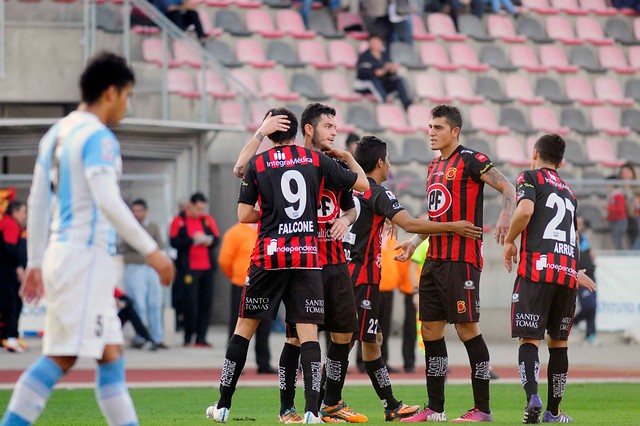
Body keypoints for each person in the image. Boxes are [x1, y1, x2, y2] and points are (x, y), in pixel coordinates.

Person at [0, 52, 175, 426]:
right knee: (61, 358)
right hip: (83, 259)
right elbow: (108, 199)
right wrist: (153, 251)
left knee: (111, 355)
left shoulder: (57, 133)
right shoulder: (99, 136)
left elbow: (37, 200)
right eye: (127, 96)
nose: (127, 105)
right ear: (111, 92)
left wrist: (34, 261)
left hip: (66, 256)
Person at [206, 107, 369, 424]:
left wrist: (258, 134)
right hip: (307, 256)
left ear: (270, 130)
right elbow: (361, 187)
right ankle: (311, 411)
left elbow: (243, 213)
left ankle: (223, 405)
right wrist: (348, 159)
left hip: (268, 256)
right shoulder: (315, 161)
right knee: (308, 334)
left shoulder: (259, 162)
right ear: (299, 131)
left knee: (245, 329)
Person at [345, 135, 484, 422]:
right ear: (381, 162)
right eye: (389, 161)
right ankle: (325, 402)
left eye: (437, 127)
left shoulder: (349, 191)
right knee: (346, 341)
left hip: (343, 274)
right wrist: (453, 227)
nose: (390, 166)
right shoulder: (378, 193)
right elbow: (407, 222)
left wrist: (406, 236)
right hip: (363, 277)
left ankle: (392, 404)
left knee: (370, 340)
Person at [395, 104, 515, 423]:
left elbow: (507, 186)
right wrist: (413, 242)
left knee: (466, 329)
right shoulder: (434, 167)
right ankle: (435, 408)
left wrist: (505, 214)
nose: (430, 132)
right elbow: (437, 217)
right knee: (430, 330)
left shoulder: (471, 160)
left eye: (437, 127)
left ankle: (483, 409)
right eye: (430, 127)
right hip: (434, 259)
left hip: (461, 260)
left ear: (454, 131)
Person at [503, 133, 597, 424]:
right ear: (562, 161)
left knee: (529, 340)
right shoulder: (569, 191)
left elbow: (526, 209)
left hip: (536, 271)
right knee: (559, 343)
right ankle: (553, 412)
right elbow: (575, 235)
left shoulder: (529, 177)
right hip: (566, 274)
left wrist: (509, 240)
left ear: (535, 152)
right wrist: (574, 270)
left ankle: (533, 396)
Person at [218, 221, 276, 374]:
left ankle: (263, 362)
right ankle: (233, 364)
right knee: (237, 325)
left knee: (265, 325)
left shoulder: (268, 228)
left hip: (265, 284)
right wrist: (237, 276)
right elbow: (225, 260)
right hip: (242, 284)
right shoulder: (235, 233)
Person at [169, 192, 219, 347]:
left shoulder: (207, 220)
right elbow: (174, 242)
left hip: (206, 268)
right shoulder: (179, 221)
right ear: (190, 205)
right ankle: (188, 336)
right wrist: (192, 240)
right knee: (190, 303)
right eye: (198, 208)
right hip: (189, 268)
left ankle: (201, 337)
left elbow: (216, 239)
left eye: (202, 208)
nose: (200, 212)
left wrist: (207, 241)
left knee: (206, 302)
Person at [122, 198, 167, 349]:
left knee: (154, 303)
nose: (137, 214)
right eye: (134, 211)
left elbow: (159, 245)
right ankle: (141, 337)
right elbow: (130, 245)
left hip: (151, 268)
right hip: (135, 267)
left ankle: (157, 337)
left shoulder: (153, 226)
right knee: (138, 303)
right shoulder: (128, 226)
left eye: (139, 210)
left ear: (145, 211)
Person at [355, 33, 412, 110]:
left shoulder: (384, 55)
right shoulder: (365, 56)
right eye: (373, 42)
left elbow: (387, 70)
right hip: (364, 83)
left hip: (381, 82)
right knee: (373, 80)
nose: (375, 44)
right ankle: (385, 100)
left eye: (377, 42)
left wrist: (391, 69)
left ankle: (407, 104)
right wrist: (381, 71)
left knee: (399, 79)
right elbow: (364, 73)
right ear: (369, 43)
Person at [0, 200, 27, 353]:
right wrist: (18, 266)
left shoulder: (10, 224)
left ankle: (9, 337)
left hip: (6, 269)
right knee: (10, 303)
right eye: (24, 212)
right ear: (14, 212)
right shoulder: (10, 224)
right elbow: (10, 249)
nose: (26, 216)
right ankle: (10, 338)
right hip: (6, 271)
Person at [572, 214, 598, 346]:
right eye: (578, 223)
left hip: (591, 274)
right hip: (580, 276)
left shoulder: (584, 238)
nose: (580, 226)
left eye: (581, 224)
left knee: (593, 306)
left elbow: (588, 251)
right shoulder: (571, 237)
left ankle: (591, 335)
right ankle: (574, 322)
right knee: (589, 305)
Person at [605, 175, 628, 250]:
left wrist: (608, 207)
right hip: (614, 221)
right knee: (615, 240)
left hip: (620, 221)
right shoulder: (612, 195)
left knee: (617, 240)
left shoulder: (618, 195)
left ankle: (622, 256)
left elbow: (620, 209)